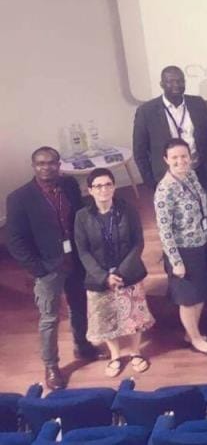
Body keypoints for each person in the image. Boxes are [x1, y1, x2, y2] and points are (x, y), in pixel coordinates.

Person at [7, 147, 100, 389]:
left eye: (51, 163)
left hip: (75, 260)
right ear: (33, 166)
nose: (46, 167)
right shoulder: (19, 198)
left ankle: (82, 345)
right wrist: (37, 269)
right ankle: (51, 366)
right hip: (48, 267)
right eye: (40, 163)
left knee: (79, 306)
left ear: (59, 165)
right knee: (49, 318)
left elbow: (79, 217)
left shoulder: (69, 185)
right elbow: (14, 240)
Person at [74, 168, 154, 378]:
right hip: (99, 277)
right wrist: (104, 277)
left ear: (114, 186)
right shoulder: (81, 216)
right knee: (106, 318)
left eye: (108, 184)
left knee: (134, 316)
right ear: (90, 190)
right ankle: (115, 355)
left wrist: (121, 272)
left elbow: (138, 243)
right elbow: (83, 251)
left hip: (128, 272)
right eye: (98, 186)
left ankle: (135, 352)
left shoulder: (128, 210)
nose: (104, 189)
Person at [155, 139, 207, 355]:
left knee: (200, 293)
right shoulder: (165, 189)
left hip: (200, 245)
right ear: (166, 159)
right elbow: (164, 230)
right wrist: (176, 261)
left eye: (184, 156)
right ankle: (195, 340)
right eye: (174, 158)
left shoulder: (192, 175)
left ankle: (191, 332)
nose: (180, 161)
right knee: (188, 298)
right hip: (182, 251)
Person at [133, 65, 207, 189]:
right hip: (167, 176)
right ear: (162, 84)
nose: (176, 85)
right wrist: (152, 182)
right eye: (170, 81)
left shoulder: (198, 104)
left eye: (180, 81)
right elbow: (140, 152)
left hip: (200, 171)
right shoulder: (146, 111)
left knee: (205, 201)